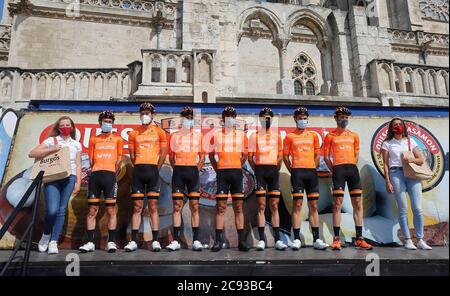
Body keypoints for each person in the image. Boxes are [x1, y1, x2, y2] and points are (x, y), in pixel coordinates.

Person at [30, 116, 82, 254]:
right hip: (52, 177)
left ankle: (53, 241)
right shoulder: (51, 140)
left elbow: (78, 164)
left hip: (69, 178)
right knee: (52, 209)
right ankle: (46, 235)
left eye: (68, 125)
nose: (65, 127)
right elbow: (32, 153)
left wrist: (78, 182)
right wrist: (52, 149)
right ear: (58, 128)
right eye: (62, 125)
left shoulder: (76, 144)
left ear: (72, 127)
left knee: (61, 210)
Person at [324, 106, 372, 250]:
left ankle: (359, 238)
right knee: (337, 203)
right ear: (336, 118)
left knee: (357, 203)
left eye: (346, 117)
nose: (344, 120)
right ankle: (336, 239)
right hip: (338, 169)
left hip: (352, 169)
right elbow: (326, 157)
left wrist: (351, 165)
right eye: (341, 117)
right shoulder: (330, 136)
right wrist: (335, 169)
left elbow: (356, 154)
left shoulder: (354, 135)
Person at [381, 118, 432, 250]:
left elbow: (421, 159)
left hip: (412, 174)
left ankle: (420, 239)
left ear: (404, 127)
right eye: (395, 125)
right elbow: (385, 164)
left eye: (400, 124)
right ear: (391, 128)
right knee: (403, 209)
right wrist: (387, 181)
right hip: (396, 174)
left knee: (418, 208)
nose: (398, 126)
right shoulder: (387, 143)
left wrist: (411, 159)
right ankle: (408, 240)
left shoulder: (410, 141)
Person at [283, 107, 329, 251]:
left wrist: (313, 167)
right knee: (297, 205)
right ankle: (296, 238)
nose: (303, 120)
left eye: (305, 118)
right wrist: (293, 170)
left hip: (311, 173)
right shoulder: (290, 137)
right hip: (297, 172)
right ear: (295, 119)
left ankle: (316, 239)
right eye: (300, 118)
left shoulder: (313, 136)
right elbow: (285, 157)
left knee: (314, 206)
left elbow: (317, 155)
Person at [124, 103, 168, 252]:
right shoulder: (133, 133)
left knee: (153, 207)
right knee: (137, 207)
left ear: (152, 114)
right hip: (139, 172)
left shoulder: (159, 132)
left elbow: (163, 153)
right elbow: (132, 155)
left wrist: (157, 168)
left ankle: (155, 240)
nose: (144, 115)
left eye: (147, 112)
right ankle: (134, 241)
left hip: (153, 172)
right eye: (142, 112)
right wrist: (139, 165)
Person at [79, 111, 123, 253]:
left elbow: (119, 160)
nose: (107, 123)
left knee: (111, 210)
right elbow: (91, 160)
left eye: (110, 121)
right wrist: (98, 170)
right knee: (92, 210)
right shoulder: (93, 139)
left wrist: (111, 173)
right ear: (100, 123)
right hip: (96, 177)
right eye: (105, 121)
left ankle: (111, 242)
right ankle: (90, 242)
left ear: (113, 124)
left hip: (110, 177)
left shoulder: (117, 139)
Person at [209, 106, 249, 252]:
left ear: (235, 118)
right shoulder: (216, 135)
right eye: (227, 116)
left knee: (238, 207)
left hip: (236, 173)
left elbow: (245, 154)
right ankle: (218, 241)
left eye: (232, 116)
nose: (229, 118)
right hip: (222, 173)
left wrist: (238, 164)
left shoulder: (241, 135)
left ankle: (242, 241)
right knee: (220, 208)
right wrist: (217, 168)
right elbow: (211, 155)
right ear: (222, 119)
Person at [167, 106, 205, 251]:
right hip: (179, 172)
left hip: (193, 172)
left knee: (195, 206)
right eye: (185, 117)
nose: (188, 120)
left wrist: (196, 168)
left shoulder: (198, 136)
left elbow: (202, 156)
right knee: (177, 206)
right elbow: (171, 157)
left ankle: (196, 240)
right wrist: (177, 167)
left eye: (190, 117)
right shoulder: (174, 136)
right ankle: (176, 240)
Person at [248, 107, 285, 251]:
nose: (266, 120)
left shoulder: (277, 136)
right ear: (260, 119)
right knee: (261, 205)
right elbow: (250, 157)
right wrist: (256, 169)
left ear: (272, 119)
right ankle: (262, 239)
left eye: (269, 117)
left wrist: (276, 167)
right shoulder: (254, 136)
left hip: (273, 171)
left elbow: (280, 156)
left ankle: (277, 239)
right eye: (264, 117)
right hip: (260, 171)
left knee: (275, 205)